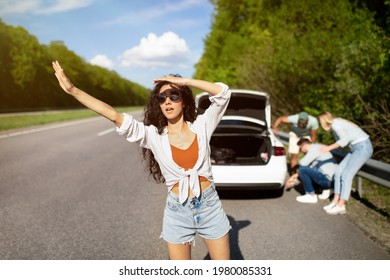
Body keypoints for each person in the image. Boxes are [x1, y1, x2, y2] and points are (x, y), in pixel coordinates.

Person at [52, 61, 232, 260]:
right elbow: (113, 115)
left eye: (174, 95)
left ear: (184, 101)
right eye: (162, 98)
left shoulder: (202, 125)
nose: (168, 101)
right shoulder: (153, 135)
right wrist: (73, 90)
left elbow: (223, 93)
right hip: (177, 211)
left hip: (210, 206)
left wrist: (184, 81)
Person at [318, 112, 373, 215]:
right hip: (355, 148)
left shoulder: (335, 125)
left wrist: (327, 148)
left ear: (323, 121)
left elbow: (343, 141)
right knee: (338, 172)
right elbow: (344, 141)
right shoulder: (335, 124)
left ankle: (341, 205)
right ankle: (335, 201)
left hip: (363, 147)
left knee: (346, 175)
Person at [288, 138, 337, 203]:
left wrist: (296, 175)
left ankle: (311, 195)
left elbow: (302, 163)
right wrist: (295, 176)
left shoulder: (313, 149)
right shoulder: (317, 146)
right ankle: (328, 189)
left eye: (300, 148)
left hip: (328, 180)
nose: (301, 151)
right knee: (308, 171)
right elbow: (312, 167)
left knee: (302, 169)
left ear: (304, 145)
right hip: (334, 180)